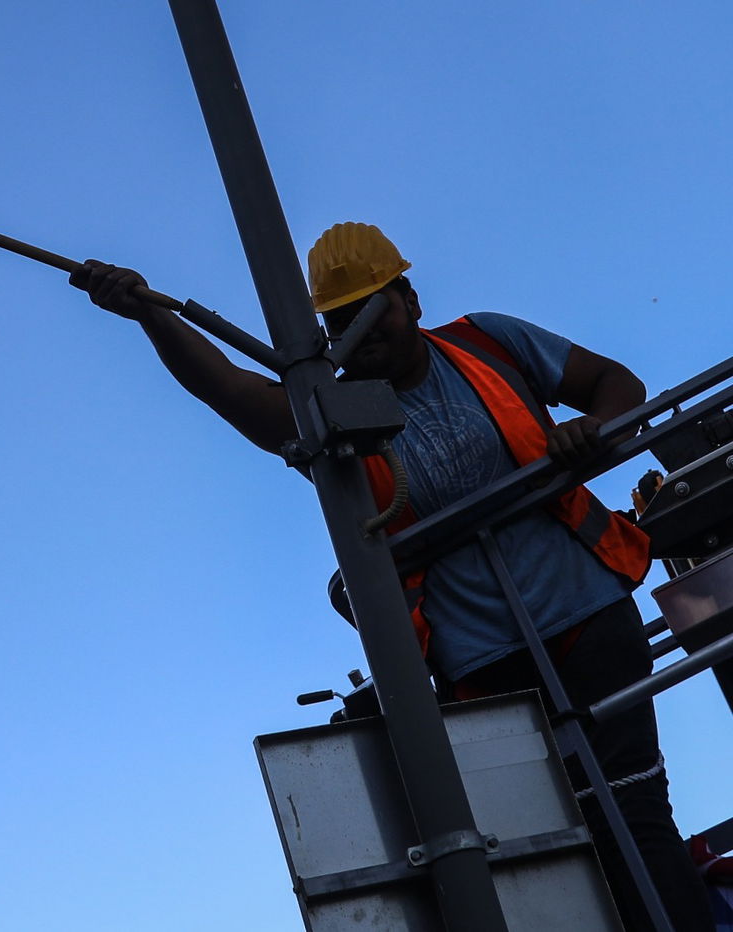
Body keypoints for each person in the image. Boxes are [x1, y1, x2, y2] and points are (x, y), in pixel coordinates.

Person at [71, 222, 714, 931]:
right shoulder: (335, 414)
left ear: (407, 297)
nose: (357, 327)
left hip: (587, 614)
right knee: (560, 840)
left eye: (371, 306)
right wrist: (151, 316)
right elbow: (233, 392)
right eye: (338, 319)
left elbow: (613, 383)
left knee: (634, 806)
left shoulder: (489, 341)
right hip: (483, 664)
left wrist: (597, 430)